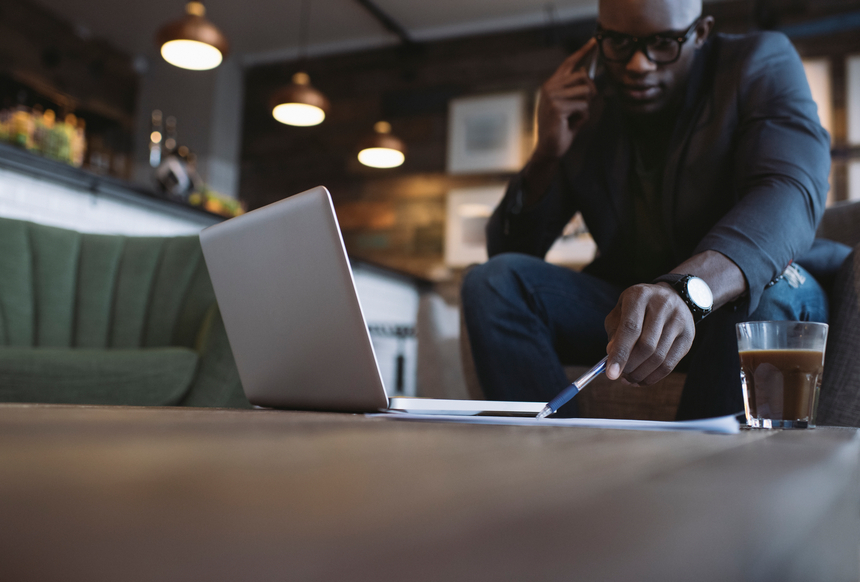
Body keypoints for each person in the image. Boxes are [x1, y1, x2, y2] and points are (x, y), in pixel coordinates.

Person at [461, 0, 850, 419]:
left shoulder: (758, 62)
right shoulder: (586, 106)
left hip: (748, 293)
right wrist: (546, 155)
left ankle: (703, 463)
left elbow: (790, 190)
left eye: (664, 42)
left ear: (701, 32)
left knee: (763, 305)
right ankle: (556, 453)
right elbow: (509, 253)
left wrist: (685, 291)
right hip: (630, 307)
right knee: (493, 282)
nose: (638, 64)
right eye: (618, 42)